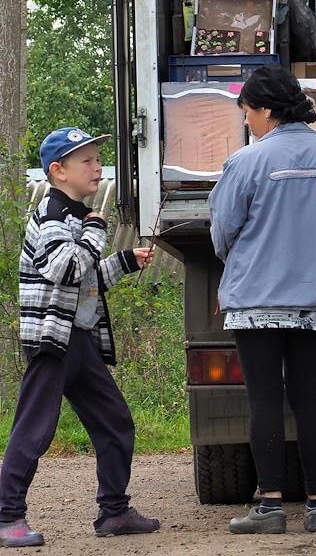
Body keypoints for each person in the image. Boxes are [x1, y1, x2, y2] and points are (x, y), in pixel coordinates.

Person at [208, 66, 316, 535]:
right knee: (310, 397)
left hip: (255, 301)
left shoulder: (245, 162)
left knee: (265, 399)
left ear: (267, 110)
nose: (247, 121)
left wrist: (249, 261)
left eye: (248, 111)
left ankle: (270, 506)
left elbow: (222, 233)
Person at [0, 128, 159, 547]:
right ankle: (7, 517)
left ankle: (114, 512)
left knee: (115, 423)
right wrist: (97, 231)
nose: (97, 167)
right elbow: (65, 269)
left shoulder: (74, 214)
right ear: (58, 171)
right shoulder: (54, 212)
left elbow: (83, 279)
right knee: (34, 430)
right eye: (86, 161)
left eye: (96, 158)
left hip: (80, 339)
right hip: (54, 342)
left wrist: (125, 261)